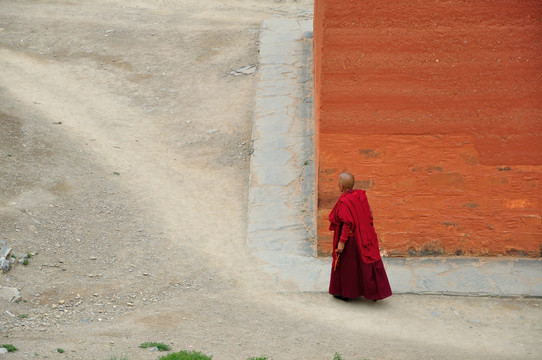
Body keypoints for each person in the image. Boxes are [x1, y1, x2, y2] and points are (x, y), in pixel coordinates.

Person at [328, 172, 392, 302]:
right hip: (363, 237)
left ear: (341, 186)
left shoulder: (345, 201)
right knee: (365, 265)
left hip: (351, 240)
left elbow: (347, 223)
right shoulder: (360, 196)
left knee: (348, 268)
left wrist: (341, 243)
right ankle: (371, 292)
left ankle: (346, 294)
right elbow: (370, 214)